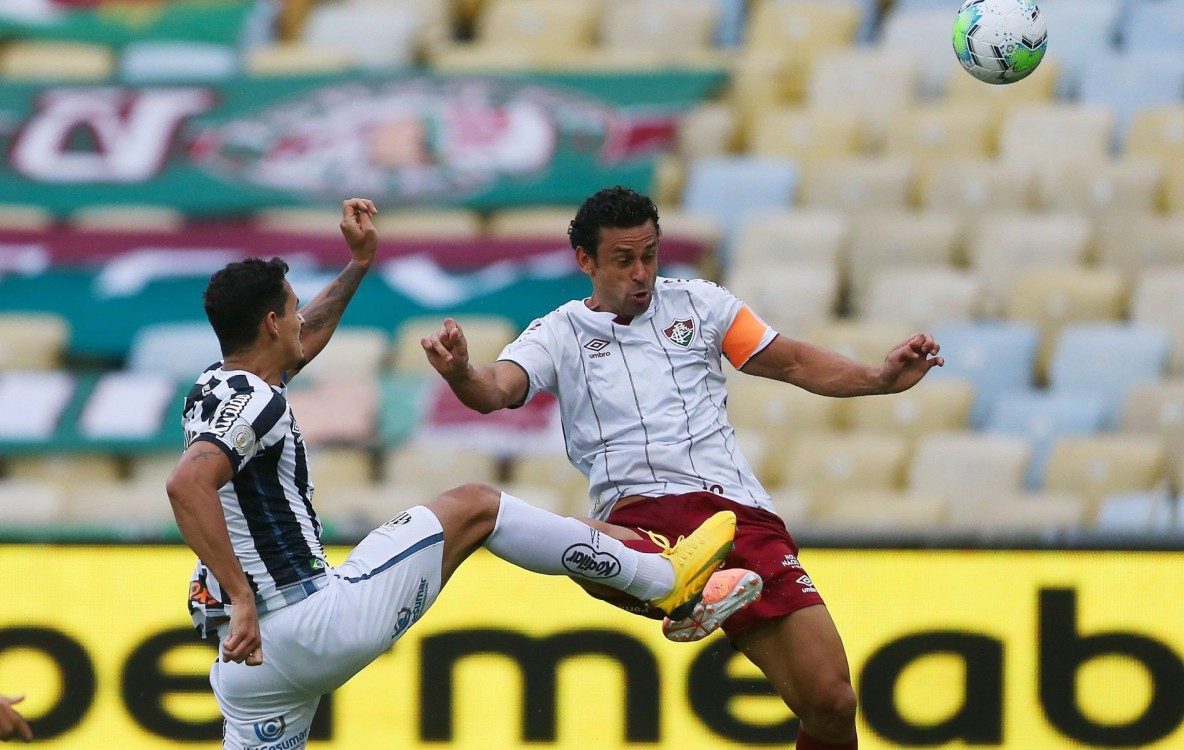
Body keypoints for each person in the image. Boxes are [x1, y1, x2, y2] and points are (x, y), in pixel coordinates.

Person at [166, 198, 755, 750]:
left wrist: (359, 264)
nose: (302, 319)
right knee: (477, 505)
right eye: (293, 309)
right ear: (271, 324)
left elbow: (305, 337)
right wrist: (242, 594)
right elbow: (186, 483)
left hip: (247, 667)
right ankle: (664, 581)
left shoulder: (220, 387)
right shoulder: (261, 401)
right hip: (306, 623)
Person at [421, 186, 946, 750]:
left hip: (737, 515)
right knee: (578, 547)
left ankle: (696, 590)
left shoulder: (703, 305)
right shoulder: (557, 334)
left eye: (649, 254)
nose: (641, 272)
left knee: (832, 703)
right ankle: (682, 587)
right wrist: (461, 374)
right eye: (623, 260)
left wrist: (879, 378)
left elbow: (793, 361)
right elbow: (496, 390)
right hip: (640, 520)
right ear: (586, 261)